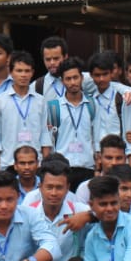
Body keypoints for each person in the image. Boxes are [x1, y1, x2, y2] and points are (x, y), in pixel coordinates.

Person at [0, 50, 50, 169]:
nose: (23, 75)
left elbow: (45, 136)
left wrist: (44, 165)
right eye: (19, 71)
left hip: (35, 164)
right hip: (8, 163)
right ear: (11, 72)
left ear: (32, 72)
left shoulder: (41, 101)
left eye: (27, 71)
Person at [47, 57, 101, 190]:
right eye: (68, 79)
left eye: (75, 77)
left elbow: (97, 136)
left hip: (87, 166)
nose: (72, 82)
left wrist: (98, 163)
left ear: (82, 78)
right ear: (62, 81)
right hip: (62, 168)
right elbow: (50, 140)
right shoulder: (54, 107)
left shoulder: (93, 104)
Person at [88, 52, 130, 160]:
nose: (101, 79)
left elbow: (129, 130)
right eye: (97, 75)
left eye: (105, 74)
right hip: (99, 157)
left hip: (119, 155)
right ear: (91, 75)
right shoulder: (90, 100)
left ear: (111, 73)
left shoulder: (123, 98)